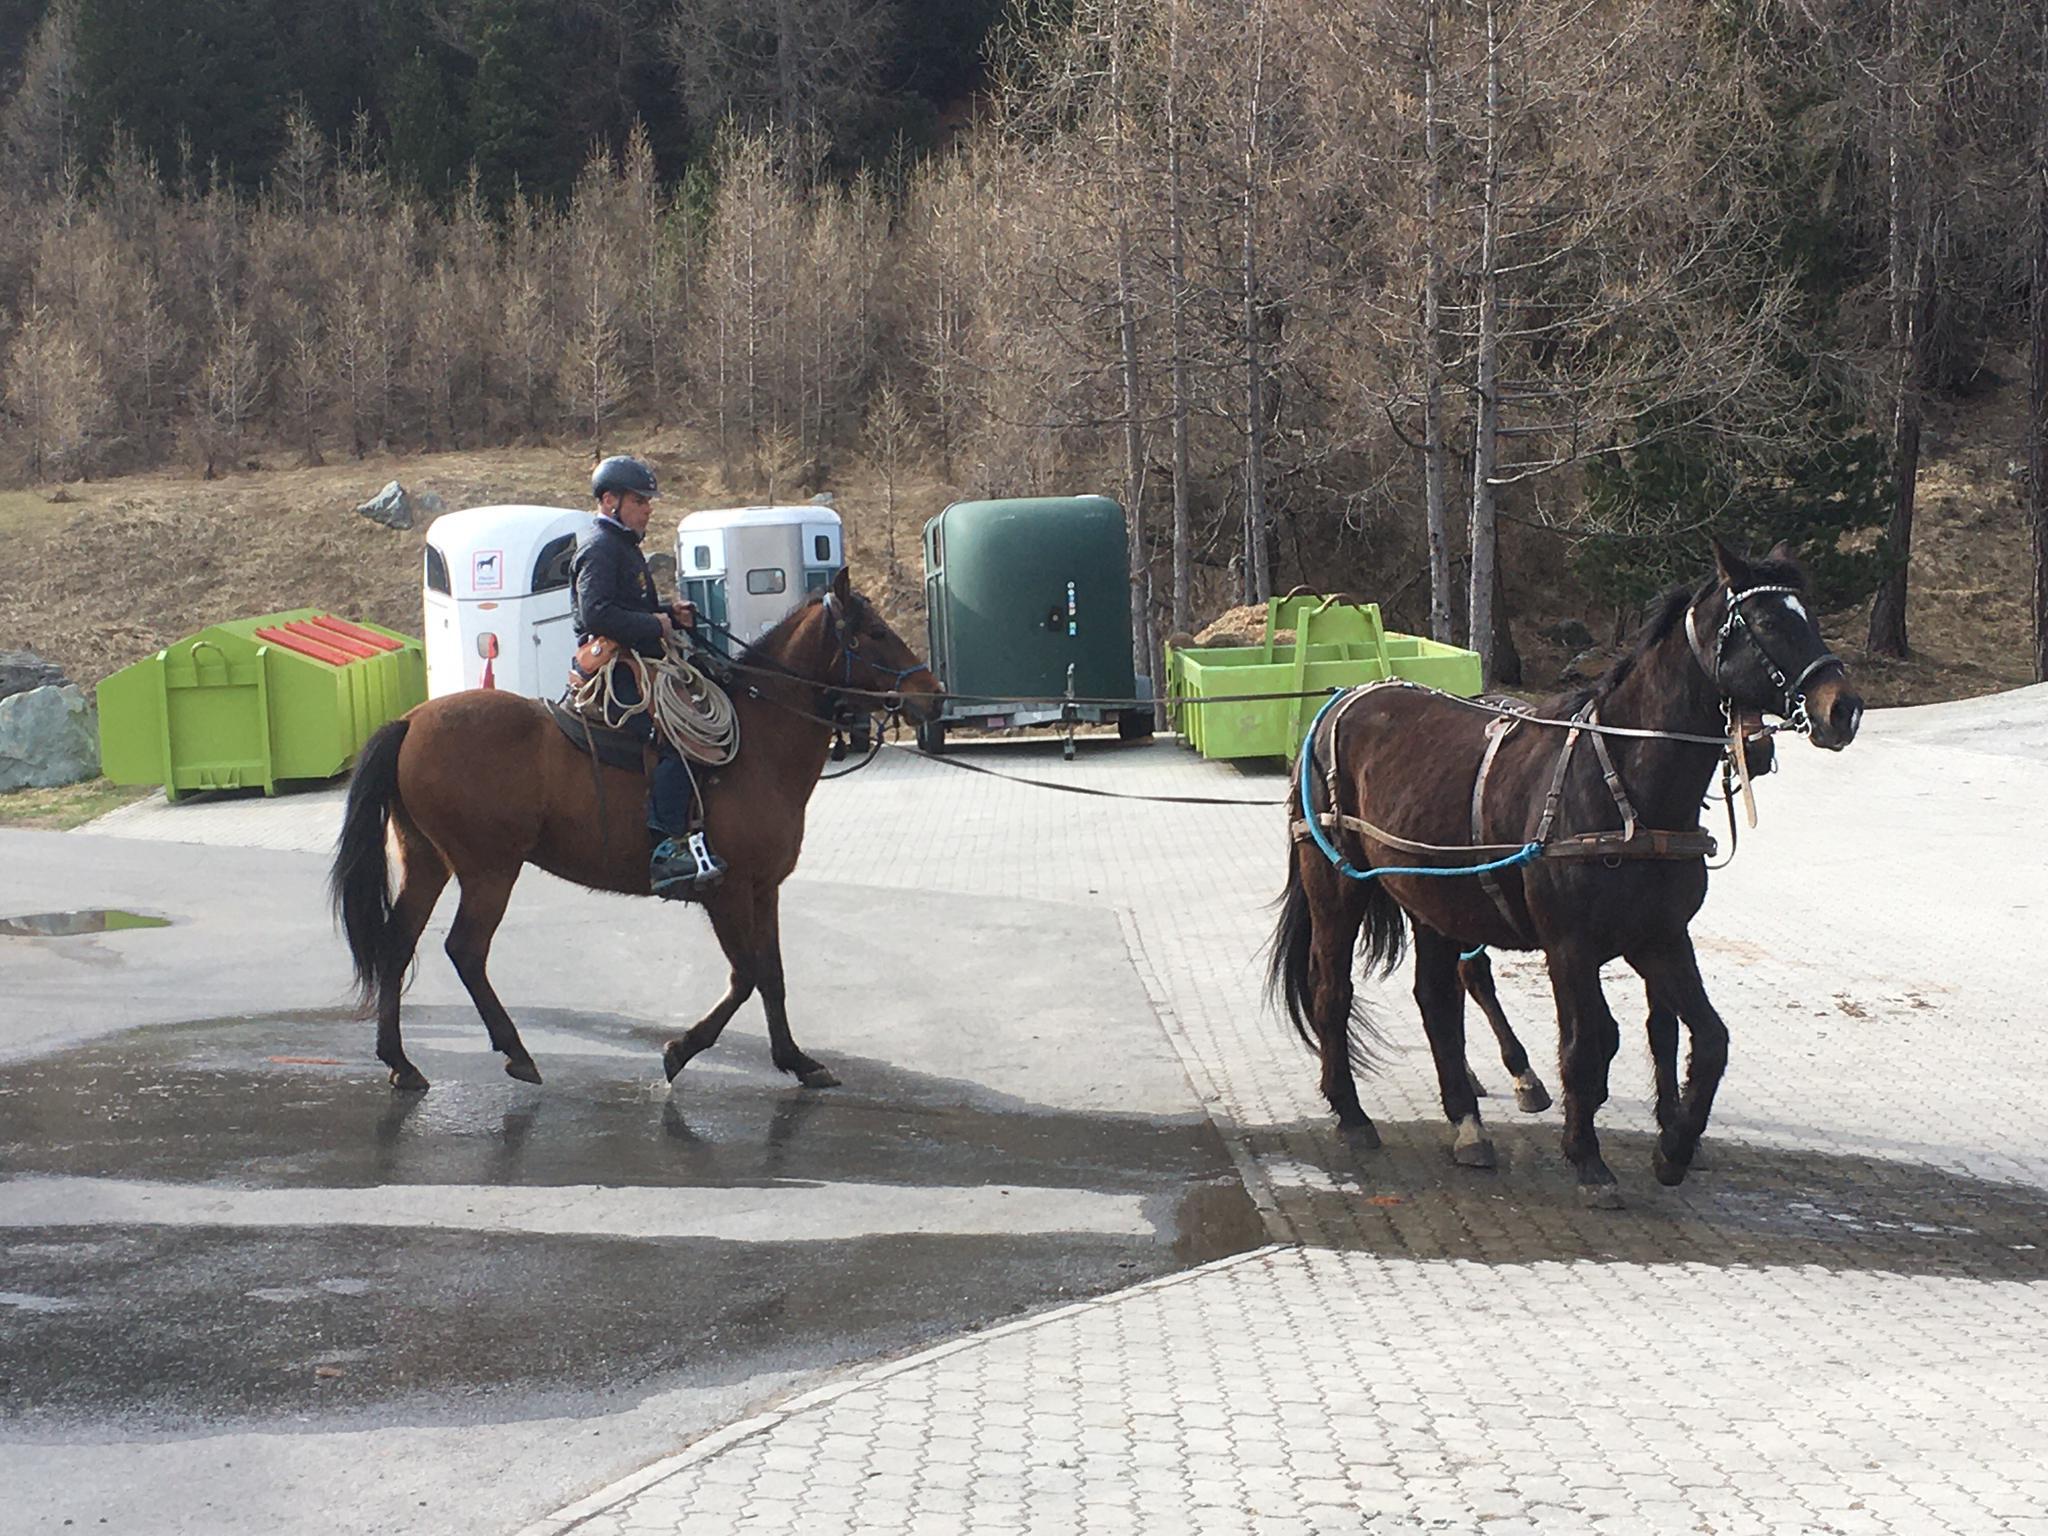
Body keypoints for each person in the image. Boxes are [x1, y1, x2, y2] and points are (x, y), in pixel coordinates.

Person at [570, 454, 727, 898]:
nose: (648, 509)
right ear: (610, 501)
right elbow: (596, 613)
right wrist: (654, 624)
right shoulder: (600, 548)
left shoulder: (622, 546)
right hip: (614, 672)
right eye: (640, 501)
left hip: (637, 662)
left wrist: (668, 614)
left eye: (647, 501)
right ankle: (664, 847)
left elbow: (629, 609)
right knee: (679, 734)